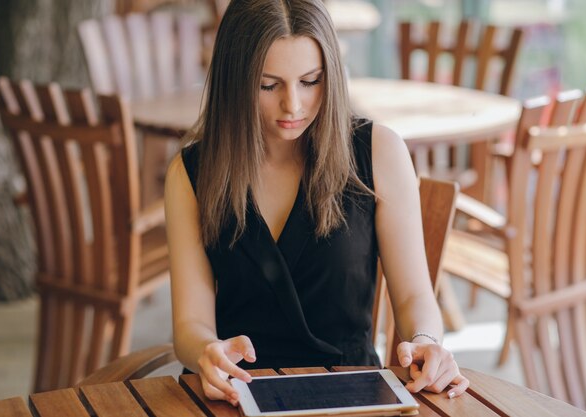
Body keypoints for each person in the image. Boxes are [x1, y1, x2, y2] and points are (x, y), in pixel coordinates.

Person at [164, 0, 469, 406]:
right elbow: (190, 323)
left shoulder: (378, 152)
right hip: (234, 397)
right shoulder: (191, 173)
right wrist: (205, 350)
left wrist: (427, 342)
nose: (293, 105)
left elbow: (415, 298)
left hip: (354, 398)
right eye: (268, 85)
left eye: (311, 81)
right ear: (234, 81)